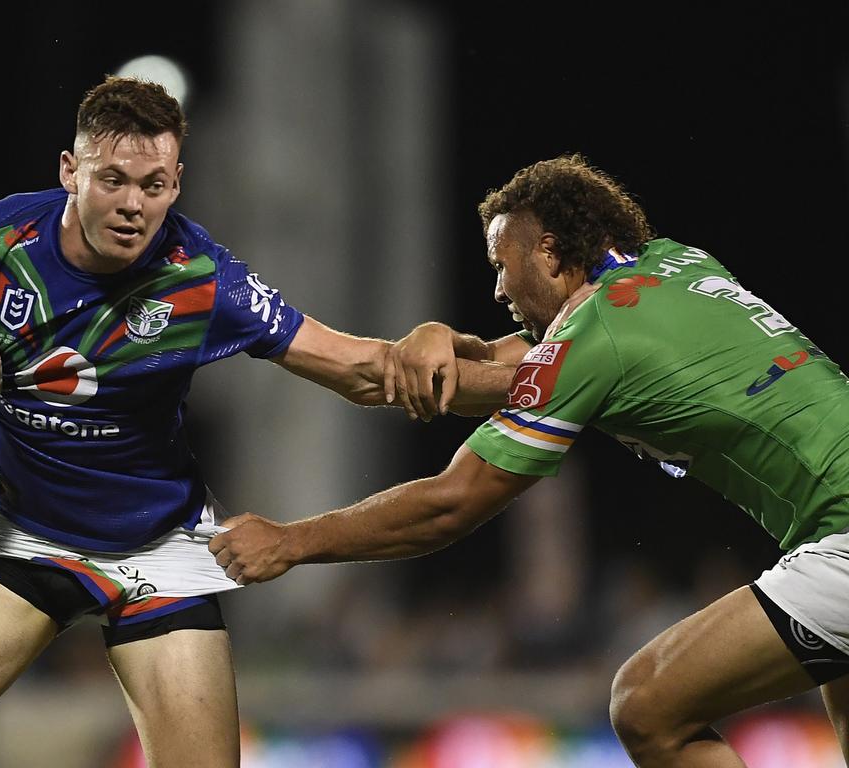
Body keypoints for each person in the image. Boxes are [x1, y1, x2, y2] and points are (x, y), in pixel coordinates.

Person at [0, 76, 517, 767]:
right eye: (113, 180)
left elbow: (364, 373)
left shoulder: (202, 277)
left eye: (152, 185)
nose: (132, 205)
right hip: (24, 542)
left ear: (178, 183)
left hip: (157, 553)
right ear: (70, 171)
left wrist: (521, 375)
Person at [210, 154, 849, 766]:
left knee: (646, 705)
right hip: (830, 526)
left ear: (547, 250)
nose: (496, 288)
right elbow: (527, 365)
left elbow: (450, 505)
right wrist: (439, 342)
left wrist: (293, 541)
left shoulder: (597, 340)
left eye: (500, 263)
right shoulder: (672, 265)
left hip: (842, 532)